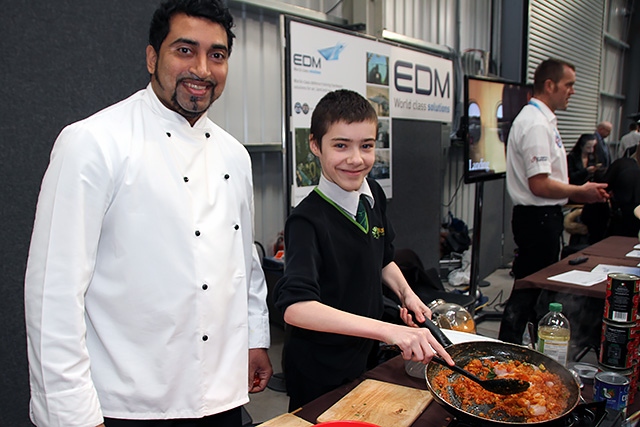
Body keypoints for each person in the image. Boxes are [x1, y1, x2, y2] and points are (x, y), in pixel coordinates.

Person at [24, 1, 272, 426]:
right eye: (184, 50)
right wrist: (71, 415)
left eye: (217, 55)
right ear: (152, 57)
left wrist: (255, 338)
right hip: (124, 404)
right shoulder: (93, 142)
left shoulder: (234, 154)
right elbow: (53, 294)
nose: (202, 69)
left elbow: (243, 261)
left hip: (222, 397)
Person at [273, 89, 454, 411]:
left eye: (366, 146)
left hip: (366, 354)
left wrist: (407, 295)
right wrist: (389, 331)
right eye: (341, 145)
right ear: (315, 145)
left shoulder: (371, 198)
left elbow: (383, 258)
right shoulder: (306, 220)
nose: (356, 159)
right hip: (321, 366)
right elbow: (295, 307)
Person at [499, 58, 609, 345]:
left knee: (535, 291)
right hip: (537, 218)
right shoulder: (535, 124)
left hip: (543, 217)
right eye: (568, 85)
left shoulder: (542, 120)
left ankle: (527, 348)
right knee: (528, 289)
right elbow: (540, 184)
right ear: (549, 85)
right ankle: (505, 348)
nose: (572, 91)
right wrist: (580, 192)